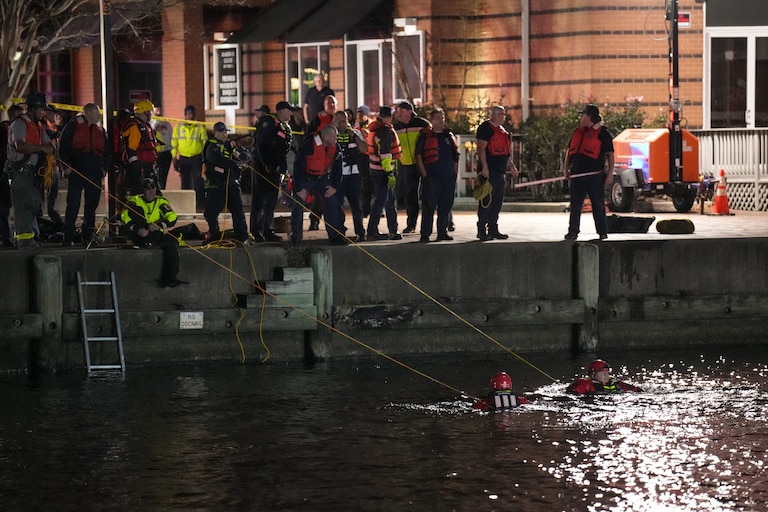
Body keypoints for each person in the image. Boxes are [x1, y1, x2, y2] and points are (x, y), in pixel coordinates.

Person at [5, 92, 55, 250]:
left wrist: (51, 149)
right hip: (20, 171)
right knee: (23, 205)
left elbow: (49, 144)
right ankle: (23, 240)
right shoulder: (19, 124)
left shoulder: (39, 126)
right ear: (32, 109)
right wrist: (41, 148)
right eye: (41, 109)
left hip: (33, 173)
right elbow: (20, 145)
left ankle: (30, 236)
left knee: (34, 204)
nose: (44, 112)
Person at [59, 103, 111, 247]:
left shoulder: (101, 130)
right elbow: (62, 147)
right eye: (96, 113)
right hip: (77, 170)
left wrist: (104, 170)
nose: (99, 116)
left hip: (94, 171)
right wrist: (66, 167)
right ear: (87, 113)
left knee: (91, 205)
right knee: (73, 204)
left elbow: (107, 153)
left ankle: (88, 235)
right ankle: (67, 236)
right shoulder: (72, 127)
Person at [121, 176, 186, 288]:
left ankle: (170, 278)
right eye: (147, 189)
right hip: (139, 232)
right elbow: (124, 216)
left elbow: (172, 217)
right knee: (137, 211)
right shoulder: (134, 200)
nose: (150, 191)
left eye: (153, 188)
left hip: (155, 232)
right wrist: (137, 229)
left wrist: (159, 225)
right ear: (143, 190)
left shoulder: (161, 202)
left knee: (171, 244)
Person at [563, 104, 615, 241]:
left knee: (598, 203)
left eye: (583, 115)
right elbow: (569, 152)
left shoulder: (603, 133)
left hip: (594, 176)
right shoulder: (578, 132)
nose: (581, 117)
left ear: (589, 116)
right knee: (575, 205)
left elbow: (610, 154)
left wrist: (610, 173)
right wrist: (566, 169)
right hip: (577, 174)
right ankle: (573, 231)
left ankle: (602, 232)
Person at [290, 124, 346, 246]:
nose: (336, 139)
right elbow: (298, 165)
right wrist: (299, 188)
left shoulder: (335, 147)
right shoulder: (309, 145)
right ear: (326, 137)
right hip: (306, 178)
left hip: (323, 179)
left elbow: (338, 168)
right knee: (298, 203)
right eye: (334, 136)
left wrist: (335, 187)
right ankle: (296, 236)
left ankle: (335, 235)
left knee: (331, 203)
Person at [251, 101, 293, 242]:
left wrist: (283, 169)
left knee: (271, 200)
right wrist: (266, 164)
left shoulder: (285, 126)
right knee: (259, 199)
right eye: (289, 110)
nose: (291, 113)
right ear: (280, 111)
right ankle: (256, 230)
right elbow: (261, 144)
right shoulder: (268, 122)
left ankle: (267, 229)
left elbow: (282, 151)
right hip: (262, 167)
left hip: (275, 167)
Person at [475, 105, 518, 241]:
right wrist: (485, 167)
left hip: (500, 172)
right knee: (486, 201)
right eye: (500, 114)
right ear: (493, 115)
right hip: (489, 171)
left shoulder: (502, 131)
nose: (503, 117)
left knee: (497, 201)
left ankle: (493, 228)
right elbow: (481, 149)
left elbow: (505, 153)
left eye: (504, 114)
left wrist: (511, 166)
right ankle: (482, 229)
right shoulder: (485, 129)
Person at [415, 108, 459, 242]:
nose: (442, 120)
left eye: (443, 117)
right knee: (429, 207)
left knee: (445, 206)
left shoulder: (448, 136)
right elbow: (418, 156)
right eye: (439, 117)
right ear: (432, 120)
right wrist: (424, 174)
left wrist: (454, 173)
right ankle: (425, 234)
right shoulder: (424, 136)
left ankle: (442, 232)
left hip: (448, 177)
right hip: (432, 177)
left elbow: (455, 156)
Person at [203, 122, 251, 243]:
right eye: (222, 132)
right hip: (216, 184)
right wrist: (235, 164)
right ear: (216, 133)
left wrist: (239, 156)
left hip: (232, 184)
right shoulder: (211, 146)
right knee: (211, 212)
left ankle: (242, 236)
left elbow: (247, 154)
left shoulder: (232, 144)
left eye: (226, 132)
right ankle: (214, 235)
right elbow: (216, 159)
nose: (225, 134)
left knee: (238, 211)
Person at [394, 101, 431, 234]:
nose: (398, 115)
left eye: (401, 112)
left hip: (425, 163)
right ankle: (411, 224)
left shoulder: (422, 124)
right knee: (410, 195)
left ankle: (447, 221)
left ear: (409, 111)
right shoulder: (396, 126)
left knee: (431, 192)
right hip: (407, 165)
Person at [366, 106, 402, 241]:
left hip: (375, 169)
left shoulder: (375, 129)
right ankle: (374, 230)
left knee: (386, 200)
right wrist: (389, 173)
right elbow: (386, 154)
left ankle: (391, 229)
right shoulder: (385, 132)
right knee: (385, 201)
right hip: (383, 171)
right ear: (389, 116)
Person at [332, 111, 367, 243]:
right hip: (338, 175)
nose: (342, 124)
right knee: (337, 205)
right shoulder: (330, 133)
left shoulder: (355, 133)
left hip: (353, 174)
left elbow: (364, 149)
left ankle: (360, 232)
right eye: (339, 121)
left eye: (344, 121)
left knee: (356, 204)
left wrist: (355, 137)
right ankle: (340, 232)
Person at [305, 95, 338, 230]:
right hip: (320, 162)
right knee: (319, 195)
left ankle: (335, 226)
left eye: (333, 103)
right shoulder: (318, 119)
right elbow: (309, 137)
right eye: (328, 103)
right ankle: (314, 220)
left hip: (334, 159)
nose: (331, 105)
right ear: (324, 105)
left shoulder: (340, 119)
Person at [171, 105, 207, 210]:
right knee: (185, 181)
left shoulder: (199, 126)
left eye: (192, 113)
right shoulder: (178, 127)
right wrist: (174, 156)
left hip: (196, 157)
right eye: (188, 113)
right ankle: (184, 203)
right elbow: (174, 143)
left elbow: (205, 143)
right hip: (183, 158)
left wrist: (205, 158)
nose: (190, 115)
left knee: (198, 181)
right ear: (185, 115)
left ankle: (200, 202)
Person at [122, 99, 158, 196]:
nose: (151, 114)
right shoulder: (135, 127)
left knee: (153, 194)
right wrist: (136, 166)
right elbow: (130, 149)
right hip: (139, 167)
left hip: (147, 166)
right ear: (145, 112)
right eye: (150, 112)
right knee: (139, 194)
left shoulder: (146, 126)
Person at [0, 104, 24, 248]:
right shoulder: (7, 130)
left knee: (5, 206)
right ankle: (6, 236)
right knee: (4, 205)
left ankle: (6, 235)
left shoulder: (8, 129)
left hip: (6, 170)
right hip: (4, 171)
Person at [567, 359, 643, 395]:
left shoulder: (617, 383)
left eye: (607, 371)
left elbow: (636, 390)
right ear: (593, 375)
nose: (606, 374)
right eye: (602, 372)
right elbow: (571, 391)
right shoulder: (586, 384)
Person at [355, 105, 373, 217]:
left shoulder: (371, 126)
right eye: (358, 113)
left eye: (362, 113)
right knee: (363, 184)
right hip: (360, 157)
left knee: (370, 185)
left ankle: (370, 209)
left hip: (370, 156)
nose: (360, 116)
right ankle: (365, 209)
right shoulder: (355, 126)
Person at [150, 105, 173, 190]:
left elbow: (171, 138)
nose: (159, 113)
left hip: (165, 153)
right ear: (152, 112)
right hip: (153, 153)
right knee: (153, 177)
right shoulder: (149, 124)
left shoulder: (166, 124)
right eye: (156, 112)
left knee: (163, 178)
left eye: (160, 111)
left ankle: (162, 193)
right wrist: (155, 126)